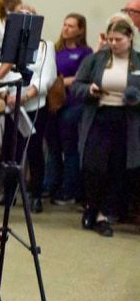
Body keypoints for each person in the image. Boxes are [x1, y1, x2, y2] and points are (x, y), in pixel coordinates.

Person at [70, 17, 140, 237]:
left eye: (118, 39)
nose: (113, 43)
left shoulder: (138, 61)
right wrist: (89, 90)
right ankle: (92, 209)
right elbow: (76, 86)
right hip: (99, 117)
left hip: (126, 120)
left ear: (130, 38)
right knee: (93, 166)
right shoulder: (96, 59)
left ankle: (103, 213)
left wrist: (136, 98)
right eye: (110, 39)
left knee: (117, 168)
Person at [0, 14, 57, 214]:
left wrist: (25, 96)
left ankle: (35, 194)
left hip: (33, 105)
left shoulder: (45, 46)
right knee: (9, 151)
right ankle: (8, 193)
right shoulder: (6, 45)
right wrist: (3, 93)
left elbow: (47, 78)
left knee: (34, 151)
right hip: (10, 106)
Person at [44, 13, 92, 205]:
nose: (66, 29)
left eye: (71, 26)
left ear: (80, 30)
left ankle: (69, 189)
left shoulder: (85, 53)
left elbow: (82, 77)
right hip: (53, 103)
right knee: (53, 147)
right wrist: (57, 82)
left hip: (72, 104)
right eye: (65, 25)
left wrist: (61, 82)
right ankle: (50, 185)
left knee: (69, 147)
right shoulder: (55, 50)